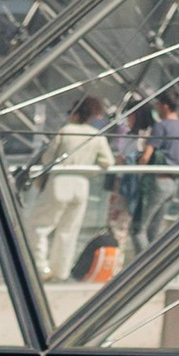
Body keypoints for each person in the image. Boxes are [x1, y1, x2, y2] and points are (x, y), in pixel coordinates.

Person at [30, 94, 116, 282]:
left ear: (76, 113)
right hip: (81, 185)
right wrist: (89, 170)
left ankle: (41, 267)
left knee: (40, 226)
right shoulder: (96, 136)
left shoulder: (66, 130)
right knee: (69, 230)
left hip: (59, 182)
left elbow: (48, 158)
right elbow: (107, 161)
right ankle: (61, 270)